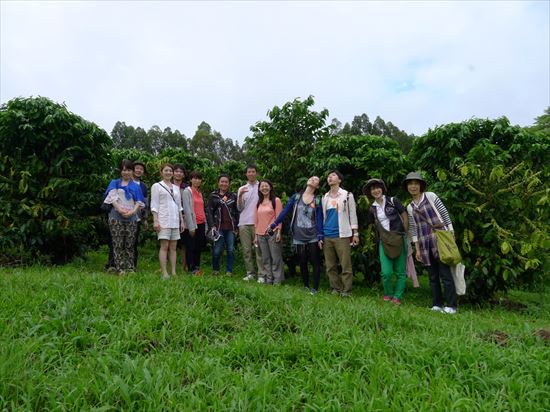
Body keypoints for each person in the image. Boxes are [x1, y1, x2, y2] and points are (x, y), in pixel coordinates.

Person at [404, 171, 458, 314]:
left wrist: (450, 233)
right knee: (432, 276)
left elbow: (444, 214)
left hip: (440, 239)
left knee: (445, 274)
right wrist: (418, 249)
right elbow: (414, 229)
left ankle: (451, 306)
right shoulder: (410, 207)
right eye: (410, 184)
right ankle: (437, 304)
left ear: (421, 185)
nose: (413, 186)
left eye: (416, 183)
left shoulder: (431, 196)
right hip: (424, 242)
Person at [269, 176, 324, 294]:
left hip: (313, 234)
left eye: (316, 180)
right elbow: (285, 211)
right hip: (298, 234)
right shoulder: (296, 197)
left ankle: (315, 288)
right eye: (311, 178)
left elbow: (319, 218)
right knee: (302, 261)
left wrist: (320, 235)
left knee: (315, 261)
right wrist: (274, 224)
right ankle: (305, 285)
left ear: (317, 186)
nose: (312, 179)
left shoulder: (318, 199)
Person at [364, 178, 409, 305]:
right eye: (372, 189)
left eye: (378, 187)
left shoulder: (393, 201)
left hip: (399, 238)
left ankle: (397, 296)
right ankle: (388, 293)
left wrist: (404, 233)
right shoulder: (372, 208)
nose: (376, 190)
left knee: (400, 271)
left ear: (382, 188)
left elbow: (404, 215)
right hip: (384, 241)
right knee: (386, 272)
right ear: (370, 192)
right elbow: (373, 225)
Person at [101, 160, 145, 275]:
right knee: (118, 244)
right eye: (124, 170)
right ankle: (119, 268)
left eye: (129, 170)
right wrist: (120, 210)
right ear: (120, 171)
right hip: (116, 217)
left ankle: (130, 268)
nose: (126, 172)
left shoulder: (136, 186)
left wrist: (133, 212)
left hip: (132, 218)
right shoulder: (114, 183)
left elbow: (139, 201)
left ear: (132, 171)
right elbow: (112, 198)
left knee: (130, 244)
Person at [321, 170, 359, 297]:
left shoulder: (347, 195)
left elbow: (352, 215)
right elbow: (323, 217)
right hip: (327, 235)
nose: (330, 178)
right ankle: (335, 288)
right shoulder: (325, 197)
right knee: (330, 266)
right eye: (328, 176)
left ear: (339, 180)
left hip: (342, 235)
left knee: (345, 265)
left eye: (333, 176)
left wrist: (355, 233)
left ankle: (347, 290)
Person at [150, 164, 185, 279]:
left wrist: (182, 221)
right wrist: (155, 220)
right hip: (163, 219)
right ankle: (164, 272)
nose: (168, 172)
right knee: (164, 246)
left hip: (174, 220)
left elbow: (179, 206)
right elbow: (154, 204)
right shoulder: (157, 186)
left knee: (173, 247)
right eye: (166, 170)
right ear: (161, 172)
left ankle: (173, 272)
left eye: (170, 171)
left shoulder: (176, 188)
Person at [206, 174, 239, 276]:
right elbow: (209, 212)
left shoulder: (233, 196)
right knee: (217, 250)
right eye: (222, 181)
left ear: (229, 184)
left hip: (230, 228)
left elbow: (237, 212)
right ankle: (215, 269)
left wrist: (236, 226)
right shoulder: (213, 196)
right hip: (218, 227)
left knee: (230, 250)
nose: (224, 183)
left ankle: (229, 271)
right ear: (218, 183)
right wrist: (212, 226)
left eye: (226, 182)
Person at [237, 164, 263, 281]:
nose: (251, 174)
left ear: (256, 173)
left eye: (253, 171)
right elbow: (239, 208)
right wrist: (240, 196)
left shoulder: (261, 187)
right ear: (246, 174)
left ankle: (262, 275)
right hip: (243, 223)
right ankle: (250, 273)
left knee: (259, 250)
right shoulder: (241, 189)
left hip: (257, 223)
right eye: (249, 172)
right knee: (247, 250)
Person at [255, 179, 284, 284]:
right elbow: (256, 220)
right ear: (259, 189)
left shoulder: (276, 200)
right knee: (265, 259)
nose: (264, 188)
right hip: (260, 234)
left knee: (276, 258)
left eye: (266, 186)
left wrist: (279, 231)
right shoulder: (259, 203)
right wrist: (255, 236)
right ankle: (269, 278)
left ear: (270, 187)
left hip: (273, 233)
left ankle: (277, 280)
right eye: (262, 186)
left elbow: (279, 217)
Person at [181, 170, 206, 276]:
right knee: (190, 246)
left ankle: (197, 267)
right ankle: (191, 268)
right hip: (192, 223)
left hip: (201, 223)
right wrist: (191, 226)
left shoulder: (200, 193)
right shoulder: (187, 191)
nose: (197, 180)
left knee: (198, 246)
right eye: (194, 178)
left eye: (199, 178)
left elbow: (202, 208)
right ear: (191, 179)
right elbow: (186, 209)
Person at [132, 160, 149, 268]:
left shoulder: (143, 186)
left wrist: (145, 219)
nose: (139, 170)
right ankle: (112, 264)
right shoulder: (126, 181)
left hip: (136, 218)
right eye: (137, 168)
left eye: (141, 169)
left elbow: (145, 203)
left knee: (133, 242)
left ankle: (132, 265)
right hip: (122, 216)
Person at [172, 164, 188, 272]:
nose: (178, 173)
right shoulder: (166, 185)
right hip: (170, 217)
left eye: (181, 172)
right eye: (176, 171)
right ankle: (168, 267)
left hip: (184, 217)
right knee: (169, 242)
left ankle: (183, 267)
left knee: (184, 244)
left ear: (183, 175)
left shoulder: (186, 188)